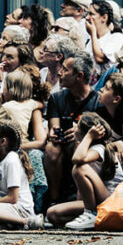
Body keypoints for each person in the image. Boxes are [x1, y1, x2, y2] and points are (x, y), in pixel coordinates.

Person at [45, 111, 123, 230]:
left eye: (77, 125)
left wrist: (88, 136)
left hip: (111, 201)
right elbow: (82, 198)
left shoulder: (99, 149)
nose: (74, 127)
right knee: (52, 214)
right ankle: (98, 220)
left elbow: (77, 159)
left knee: (80, 168)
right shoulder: (89, 150)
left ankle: (91, 215)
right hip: (99, 201)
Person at [42, 53, 103, 202]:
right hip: (63, 144)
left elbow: (103, 132)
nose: (59, 72)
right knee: (51, 148)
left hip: (86, 146)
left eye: (65, 69)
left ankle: (81, 199)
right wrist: (54, 131)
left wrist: (80, 130)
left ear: (79, 76)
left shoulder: (98, 101)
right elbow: (54, 125)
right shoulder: (57, 98)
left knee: (78, 144)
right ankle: (54, 200)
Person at [84, 0, 123, 79]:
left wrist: (93, 33)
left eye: (91, 14)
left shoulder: (116, 37)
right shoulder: (92, 39)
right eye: (87, 14)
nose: (87, 17)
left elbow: (99, 58)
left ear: (104, 17)